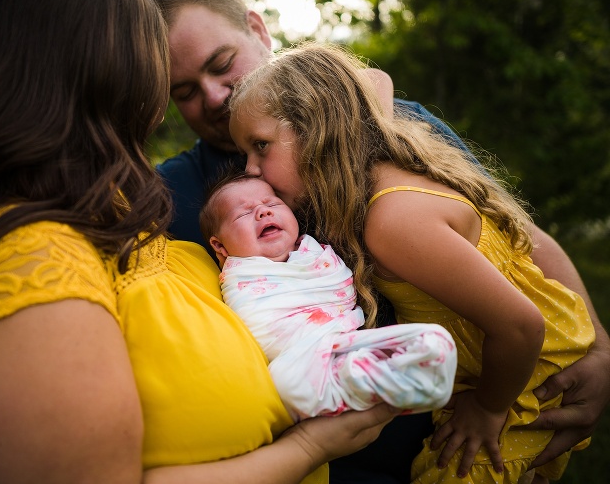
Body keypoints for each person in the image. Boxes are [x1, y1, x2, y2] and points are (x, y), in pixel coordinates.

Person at [0, 0, 402, 483]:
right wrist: (311, 446)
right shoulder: (12, 267)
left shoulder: (109, 213)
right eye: (157, 72)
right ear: (96, 82)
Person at [148, 0, 610, 483]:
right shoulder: (171, 196)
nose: (214, 97)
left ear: (258, 30)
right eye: (185, 91)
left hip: (468, 413)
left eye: (222, 65)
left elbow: (516, 236)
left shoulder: (392, 142)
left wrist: (600, 348)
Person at [227, 41, 598, 483]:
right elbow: (366, 85)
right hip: (507, 368)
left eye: (260, 146)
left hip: (525, 381)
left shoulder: (392, 221)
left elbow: (522, 326)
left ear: (317, 129)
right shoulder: (388, 166)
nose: (249, 169)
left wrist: (487, 408)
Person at [200, 170, 457, 422]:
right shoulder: (241, 273)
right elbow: (258, 324)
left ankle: (363, 378)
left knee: (434, 340)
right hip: (301, 359)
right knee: (285, 382)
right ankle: (370, 382)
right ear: (220, 246)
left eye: (272, 203)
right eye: (244, 213)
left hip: (346, 340)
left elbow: (342, 290)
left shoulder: (315, 254)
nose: (263, 211)